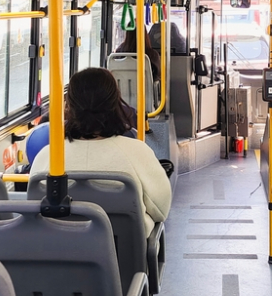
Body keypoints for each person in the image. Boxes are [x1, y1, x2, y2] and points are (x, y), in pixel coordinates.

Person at [30, 68, 171, 233]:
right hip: (124, 253)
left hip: (58, 253)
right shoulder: (137, 152)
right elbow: (161, 209)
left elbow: (35, 209)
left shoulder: (48, 157)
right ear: (115, 103)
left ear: (69, 106)